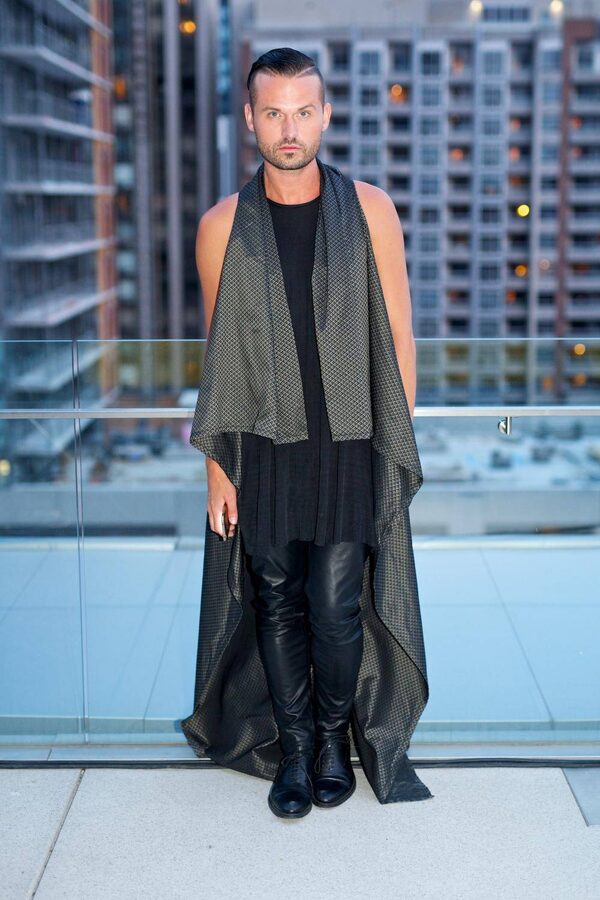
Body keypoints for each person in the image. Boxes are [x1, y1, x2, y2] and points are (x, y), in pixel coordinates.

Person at [185, 47, 428, 818]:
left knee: (335, 606)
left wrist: (395, 443)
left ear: (324, 115)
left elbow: (401, 336)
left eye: (303, 111)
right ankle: (294, 753)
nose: (289, 129)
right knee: (277, 600)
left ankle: (331, 741)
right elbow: (220, 356)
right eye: (273, 113)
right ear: (250, 119)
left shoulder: (372, 210)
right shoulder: (221, 227)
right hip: (263, 441)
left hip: (349, 441)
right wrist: (217, 468)